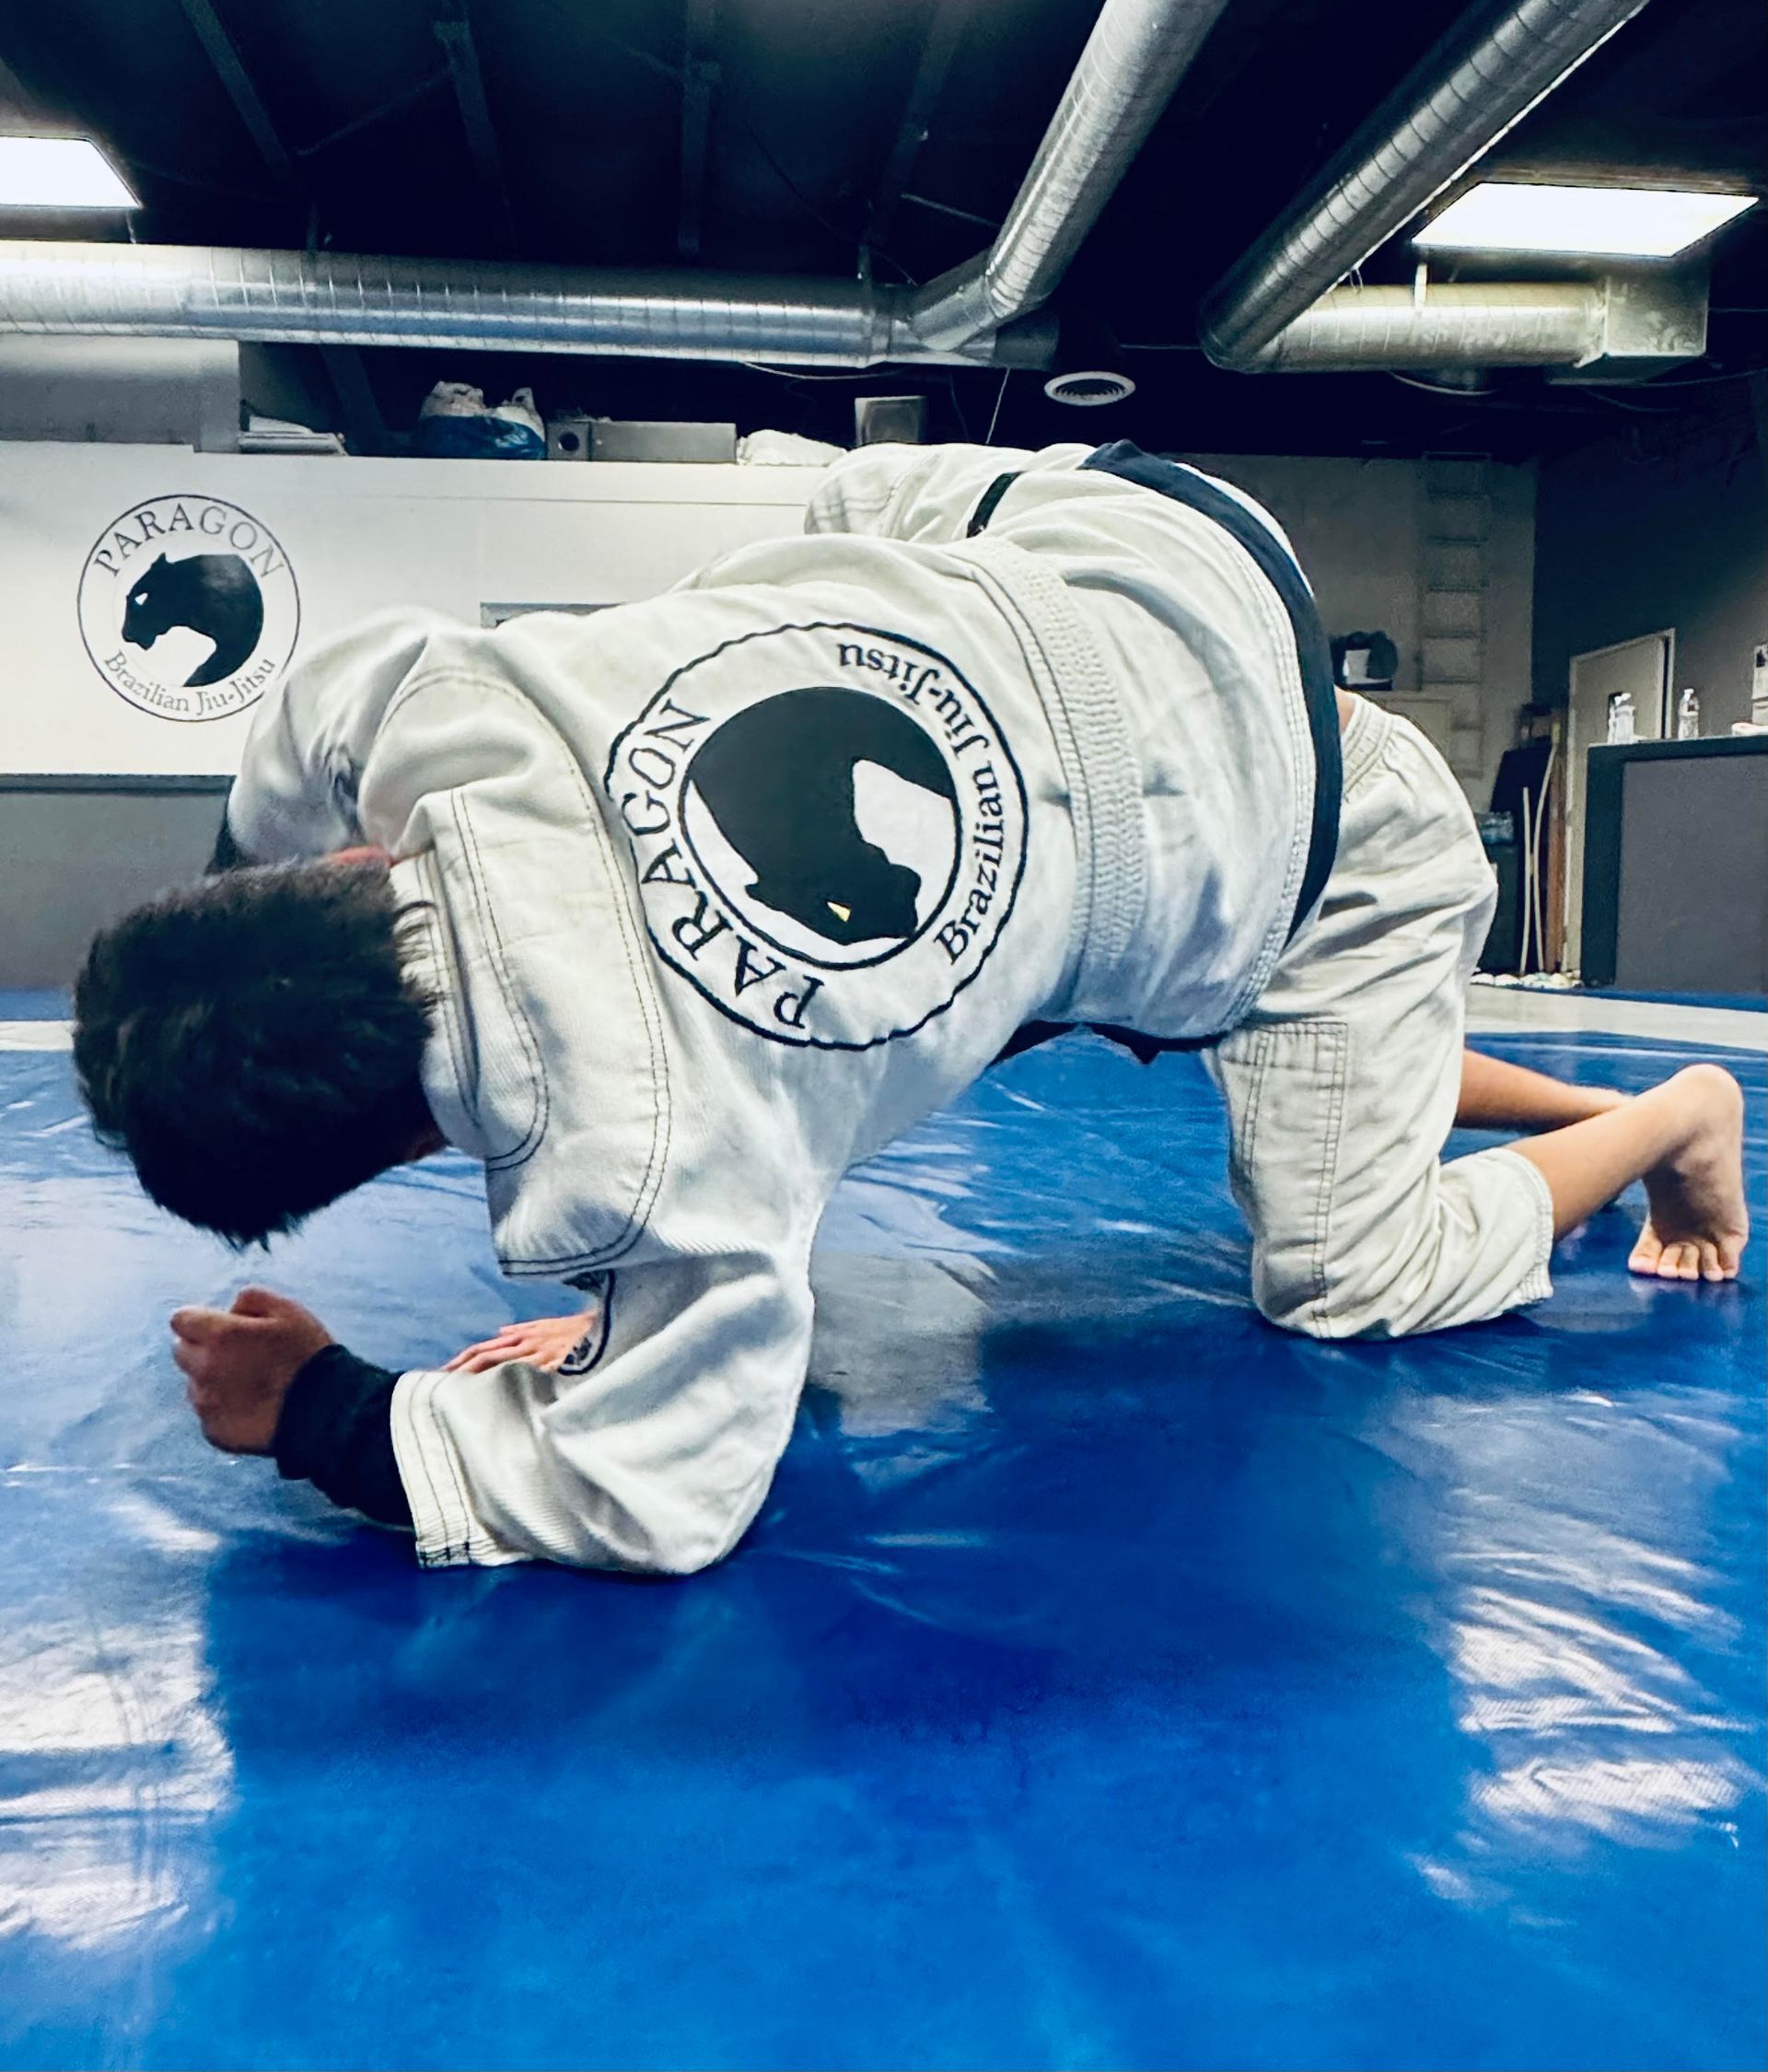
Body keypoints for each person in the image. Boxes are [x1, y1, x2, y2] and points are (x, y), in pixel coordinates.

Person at [73, 441, 1749, 1576]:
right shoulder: (433, 699)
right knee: (836, 559)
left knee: (1343, 1276)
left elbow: (651, 1487)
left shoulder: (666, 1166)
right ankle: (1444, 1087)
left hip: (1313, 866)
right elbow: (293, 757)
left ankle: (1673, 1118)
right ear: (342, 865)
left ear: (376, 1160)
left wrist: (329, 1417)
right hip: (1157, 561)